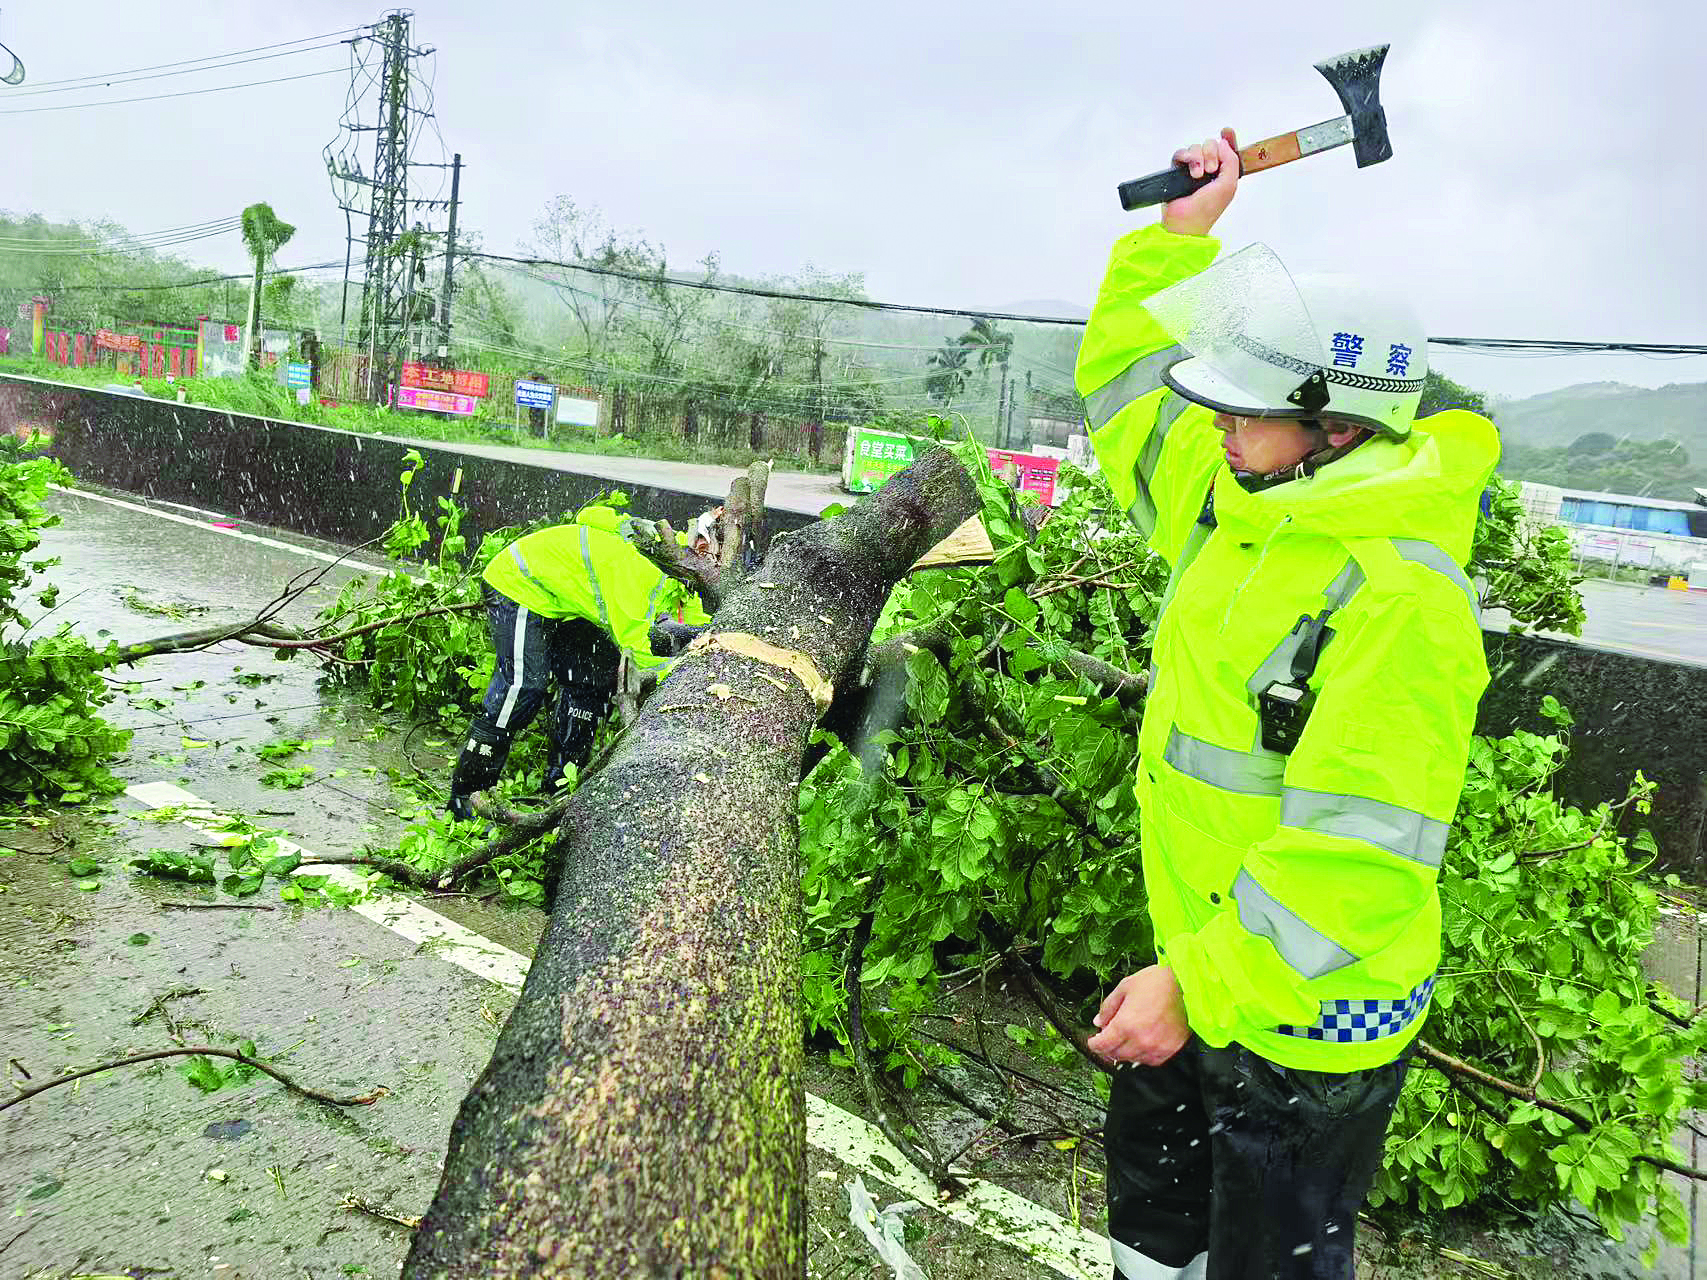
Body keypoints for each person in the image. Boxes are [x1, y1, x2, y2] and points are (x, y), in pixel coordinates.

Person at [1076, 129, 1496, 1278]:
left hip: (1307, 1026)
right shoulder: (1238, 500)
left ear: (1338, 426)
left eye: (1243, 407)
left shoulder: (1401, 595)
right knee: (1155, 1231)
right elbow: (1126, 386)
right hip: (1200, 969)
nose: (1213, 422)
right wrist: (1179, 239)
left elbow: (1358, 858)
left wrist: (1194, 983)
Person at [446, 504, 712, 819]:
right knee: (522, 687)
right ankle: (466, 797)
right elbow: (636, 648)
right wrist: (681, 673)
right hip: (519, 584)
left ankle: (560, 787)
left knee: (591, 679)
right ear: (701, 549)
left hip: (568, 604)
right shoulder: (640, 568)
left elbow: (696, 628)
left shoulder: (686, 574)